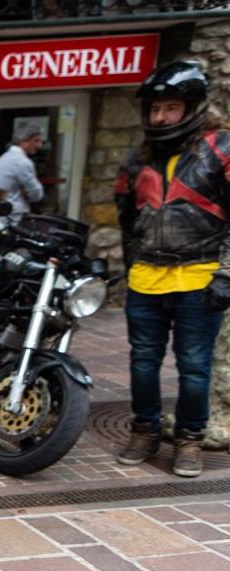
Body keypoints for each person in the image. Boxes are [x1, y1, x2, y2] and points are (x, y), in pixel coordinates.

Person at [114, 60, 230, 478]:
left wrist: (226, 274)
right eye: (155, 109)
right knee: (142, 362)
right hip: (146, 278)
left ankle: (189, 440)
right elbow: (126, 220)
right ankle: (145, 430)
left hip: (200, 277)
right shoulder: (136, 161)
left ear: (192, 107)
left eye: (170, 108)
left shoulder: (221, 149)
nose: (160, 117)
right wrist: (130, 266)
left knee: (194, 367)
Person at [0, 122, 44, 223]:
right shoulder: (21, 161)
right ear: (23, 141)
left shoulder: (4, 157)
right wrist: (27, 192)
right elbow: (36, 194)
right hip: (13, 216)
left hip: (2, 213)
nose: (39, 145)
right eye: (36, 140)